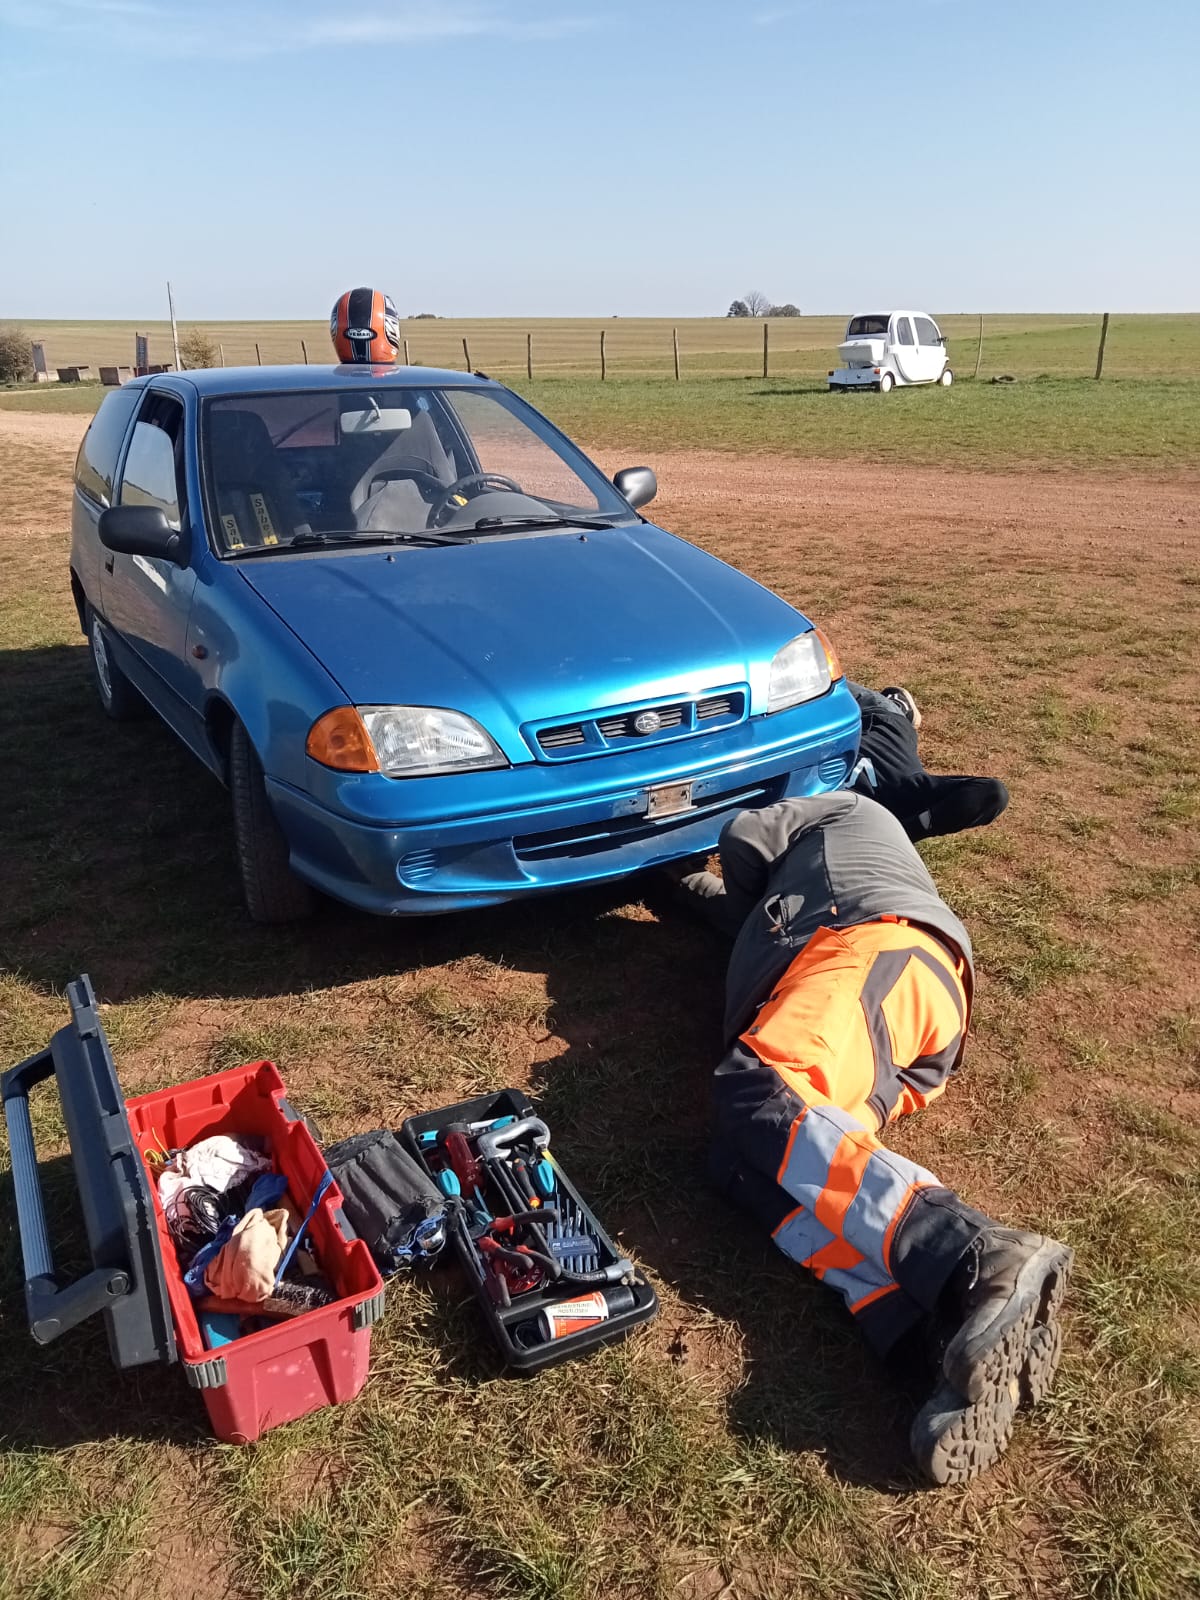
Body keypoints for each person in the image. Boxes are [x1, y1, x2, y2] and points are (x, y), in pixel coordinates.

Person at [680, 791, 1072, 1484]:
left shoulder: (842, 811)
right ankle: (937, 1339)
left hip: (880, 948)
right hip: (909, 1025)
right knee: (746, 1158)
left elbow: (742, 835)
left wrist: (745, 905)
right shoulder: (805, 883)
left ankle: (974, 1256)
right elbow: (713, 895)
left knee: (758, 1086)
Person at [850, 682, 1009, 843]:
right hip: (882, 716)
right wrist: (904, 835)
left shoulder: (833, 807)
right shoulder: (905, 795)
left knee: (826, 684)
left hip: (863, 710)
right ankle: (899, 707)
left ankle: (900, 708)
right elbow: (991, 793)